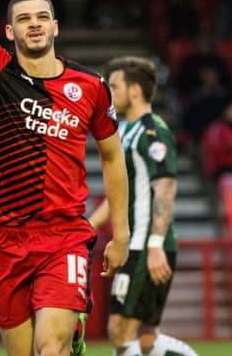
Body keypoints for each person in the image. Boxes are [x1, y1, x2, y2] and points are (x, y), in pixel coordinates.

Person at [0, 0, 130, 356]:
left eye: (41, 17)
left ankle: (64, 338)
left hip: (64, 234)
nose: (34, 24)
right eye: (24, 19)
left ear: (55, 25)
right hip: (6, 237)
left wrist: (120, 234)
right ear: (10, 31)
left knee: (48, 349)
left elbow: (112, 156)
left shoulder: (90, 86)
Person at [89, 56, 198, 356]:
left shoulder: (153, 131)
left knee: (120, 330)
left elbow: (165, 187)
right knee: (146, 337)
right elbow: (118, 195)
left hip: (146, 245)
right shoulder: (124, 131)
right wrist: (91, 225)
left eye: (115, 86)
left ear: (134, 90)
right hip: (135, 245)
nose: (110, 93)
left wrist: (155, 245)